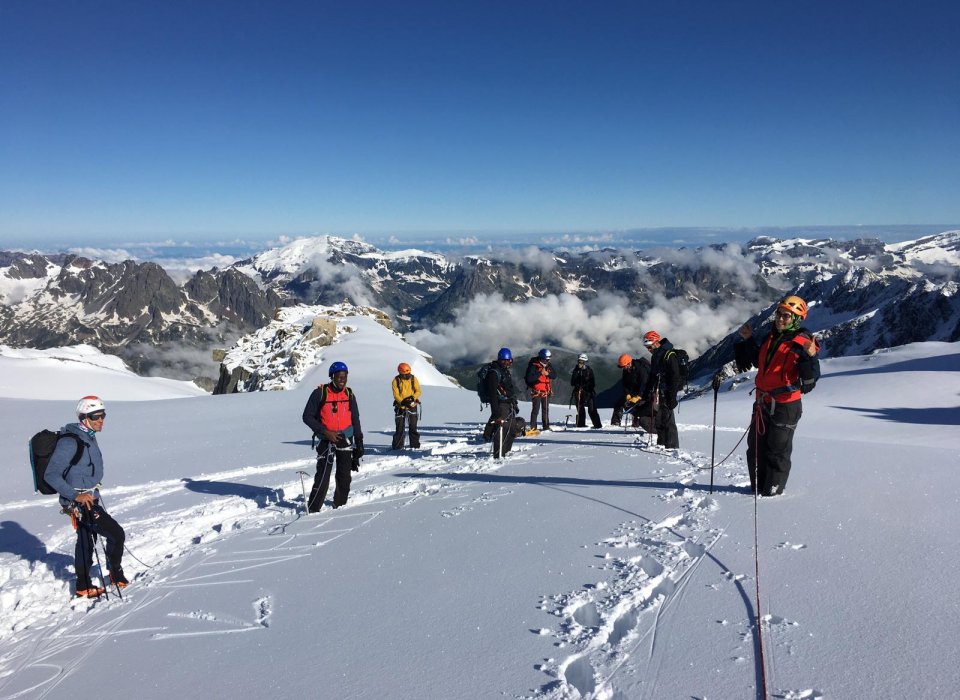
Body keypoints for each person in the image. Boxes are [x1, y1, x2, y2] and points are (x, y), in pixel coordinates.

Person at [734, 295, 820, 497]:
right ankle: (757, 487)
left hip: (785, 407)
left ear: (796, 319)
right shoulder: (771, 338)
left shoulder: (803, 344)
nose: (780, 319)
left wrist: (810, 357)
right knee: (755, 448)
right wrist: (748, 340)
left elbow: (809, 383)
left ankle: (772, 494)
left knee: (777, 451)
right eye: (779, 314)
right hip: (763, 401)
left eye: (786, 316)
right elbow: (759, 361)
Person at [44, 396, 127, 598]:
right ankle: (113, 574)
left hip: (89, 497)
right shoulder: (70, 442)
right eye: (95, 416)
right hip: (79, 501)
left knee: (86, 541)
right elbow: (51, 475)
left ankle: (83, 585)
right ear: (83, 418)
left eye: (103, 415)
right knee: (116, 534)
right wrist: (75, 496)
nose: (101, 420)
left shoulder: (88, 435)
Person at [302, 361, 364, 512]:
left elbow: (355, 418)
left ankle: (340, 507)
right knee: (323, 476)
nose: (342, 379)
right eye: (339, 376)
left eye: (344, 376)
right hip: (326, 440)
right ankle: (313, 509)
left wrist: (359, 442)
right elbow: (307, 416)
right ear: (332, 376)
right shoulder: (320, 393)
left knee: (344, 476)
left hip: (346, 438)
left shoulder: (349, 394)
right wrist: (325, 432)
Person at [641, 332, 682, 448]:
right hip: (659, 391)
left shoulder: (669, 354)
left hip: (667, 391)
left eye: (649, 346)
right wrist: (646, 392)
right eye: (646, 347)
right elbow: (653, 376)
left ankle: (672, 447)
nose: (648, 349)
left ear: (656, 342)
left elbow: (675, 376)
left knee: (668, 420)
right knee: (659, 419)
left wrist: (672, 396)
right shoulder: (656, 356)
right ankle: (662, 444)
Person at [483, 347, 520, 458]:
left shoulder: (503, 371)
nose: (509, 363)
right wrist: (496, 412)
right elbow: (493, 394)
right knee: (501, 429)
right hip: (501, 404)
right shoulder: (494, 373)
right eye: (508, 361)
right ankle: (498, 454)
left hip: (508, 403)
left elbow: (509, 389)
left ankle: (506, 452)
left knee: (512, 429)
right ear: (504, 360)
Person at [610, 353, 650, 427]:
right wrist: (627, 394)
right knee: (619, 404)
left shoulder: (641, 368)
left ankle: (636, 423)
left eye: (624, 366)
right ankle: (615, 423)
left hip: (644, 393)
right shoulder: (626, 370)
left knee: (637, 405)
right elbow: (625, 383)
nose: (623, 368)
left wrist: (639, 396)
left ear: (629, 363)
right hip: (632, 392)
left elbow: (644, 384)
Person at [391, 362, 422, 450]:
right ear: (400, 372)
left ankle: (415, 445)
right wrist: (402, 402)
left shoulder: (413, 379)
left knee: (413, 426)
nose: (407, 375)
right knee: (400, 427)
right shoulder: (395, 381)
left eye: (408, 373)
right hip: (400, 406)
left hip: (412, 404)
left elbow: (418, 391)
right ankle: (397, 446)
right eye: (405, 374)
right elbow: (396, 394)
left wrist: (412, 398)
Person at [525, 348, 556, 431]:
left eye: (548, 359)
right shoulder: (533, 366)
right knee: (536, 410)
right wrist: (540, 373)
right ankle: (533, 427)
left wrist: (548, 374)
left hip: (546, 391)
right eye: (546, 359)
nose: (547, 361)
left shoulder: (548, 366)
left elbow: (554, 375)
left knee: (545, 410)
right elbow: (529, 379)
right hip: (537, 391)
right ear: (542, 358)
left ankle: (546, 426)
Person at [570, 353, 602, 428]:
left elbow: (592, 383)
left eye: (581, 362)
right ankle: (581, 424)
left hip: (588, 392)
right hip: (579, 392)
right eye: (579, 361)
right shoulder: (576, 371)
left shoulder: (589, 371)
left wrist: (586, 387)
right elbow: (572, 382)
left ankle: (597, 425)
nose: (580, 363)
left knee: (592, 409)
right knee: (580, 409)